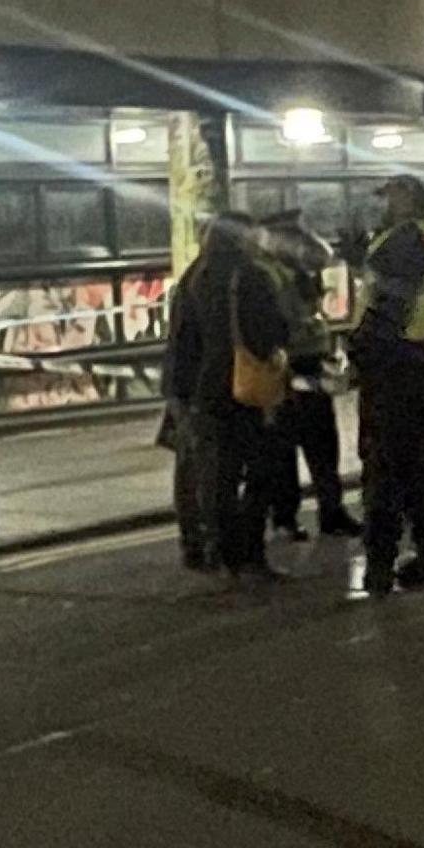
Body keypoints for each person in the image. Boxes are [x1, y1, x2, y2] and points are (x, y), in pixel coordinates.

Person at [159, 212, 289, 579]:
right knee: (262, 472)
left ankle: (212, 548)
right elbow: (270, 332)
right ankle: (249, 553)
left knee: (214, 475)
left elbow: (182, 338)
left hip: (199, 391)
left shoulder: (194, 275)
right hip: (241, 389)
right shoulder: (249, 276)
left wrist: (179, 393)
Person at [349, 174, 424, 594]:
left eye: (392, 195)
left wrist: (362, 347)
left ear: (410, 197)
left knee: (385, 465)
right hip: (419, 359)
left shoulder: (410, 239)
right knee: (416, 464)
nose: (386, 203)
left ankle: (381, 562)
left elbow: (391, 300)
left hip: (395, 361)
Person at [255, 211, 362, 540]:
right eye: (294, 236)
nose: (302, 243)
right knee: (283, 449)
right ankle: (286, 518)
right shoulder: (268, 273)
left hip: (311, 364)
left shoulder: (296, 269)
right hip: (288, 365)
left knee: (322, 444)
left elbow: (324, 256)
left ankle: (331, 512)